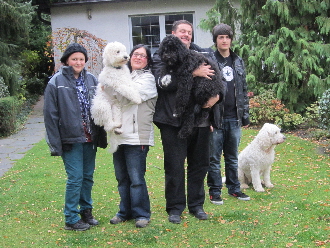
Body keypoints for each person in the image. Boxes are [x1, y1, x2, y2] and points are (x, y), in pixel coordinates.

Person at [152, 20, 221, 224]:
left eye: (189, 32)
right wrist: (192, 73)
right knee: (174, 166)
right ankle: (175, 208)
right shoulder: (161, 55)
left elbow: (216, 80)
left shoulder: (203, 54)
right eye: (182, 31)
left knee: (199, 165)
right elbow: (163, 82)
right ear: (173, 33)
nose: (186, 35)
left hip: (200, 119)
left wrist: (218, 97)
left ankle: (196, 205)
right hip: (172, 121)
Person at [43, 43, 107, 231]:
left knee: (87, 176)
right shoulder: (56, 82)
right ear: (66, 61)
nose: (78, 62)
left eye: (81, 59)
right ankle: (71, 218)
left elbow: (101, 105)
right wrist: (56, 143)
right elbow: (50, 116)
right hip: (70, 139)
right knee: (75, 178)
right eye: (74, 59)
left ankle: (86, 211)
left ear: (85, 61)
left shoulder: (92, 80)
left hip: (90, 137)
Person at [109, 44, 158, 228]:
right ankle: (124, 212)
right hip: (118, 135)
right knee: (122, 178)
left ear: (147, 61)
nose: (138, 58)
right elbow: (109, 94)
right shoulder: (123, 75)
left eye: (143, 56)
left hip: (138, 137)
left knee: (136, 179)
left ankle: (141, 214)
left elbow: (129, 96)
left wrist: (115, 88)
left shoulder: (148, 79)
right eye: (135, 54)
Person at [207, 23, 251, 205]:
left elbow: (244, 90)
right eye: (220, 37)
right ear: (216, 40)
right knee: (214, 159)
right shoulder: (210, 61)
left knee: (232, 158)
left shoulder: (238, 61)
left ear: (231, 40)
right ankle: (215, 192)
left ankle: (234, 189)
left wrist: (245, 115)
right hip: (216, 118)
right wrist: (207, 118)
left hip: (235, 118)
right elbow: (205, 90)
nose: (224, 40)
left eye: (227, 37)